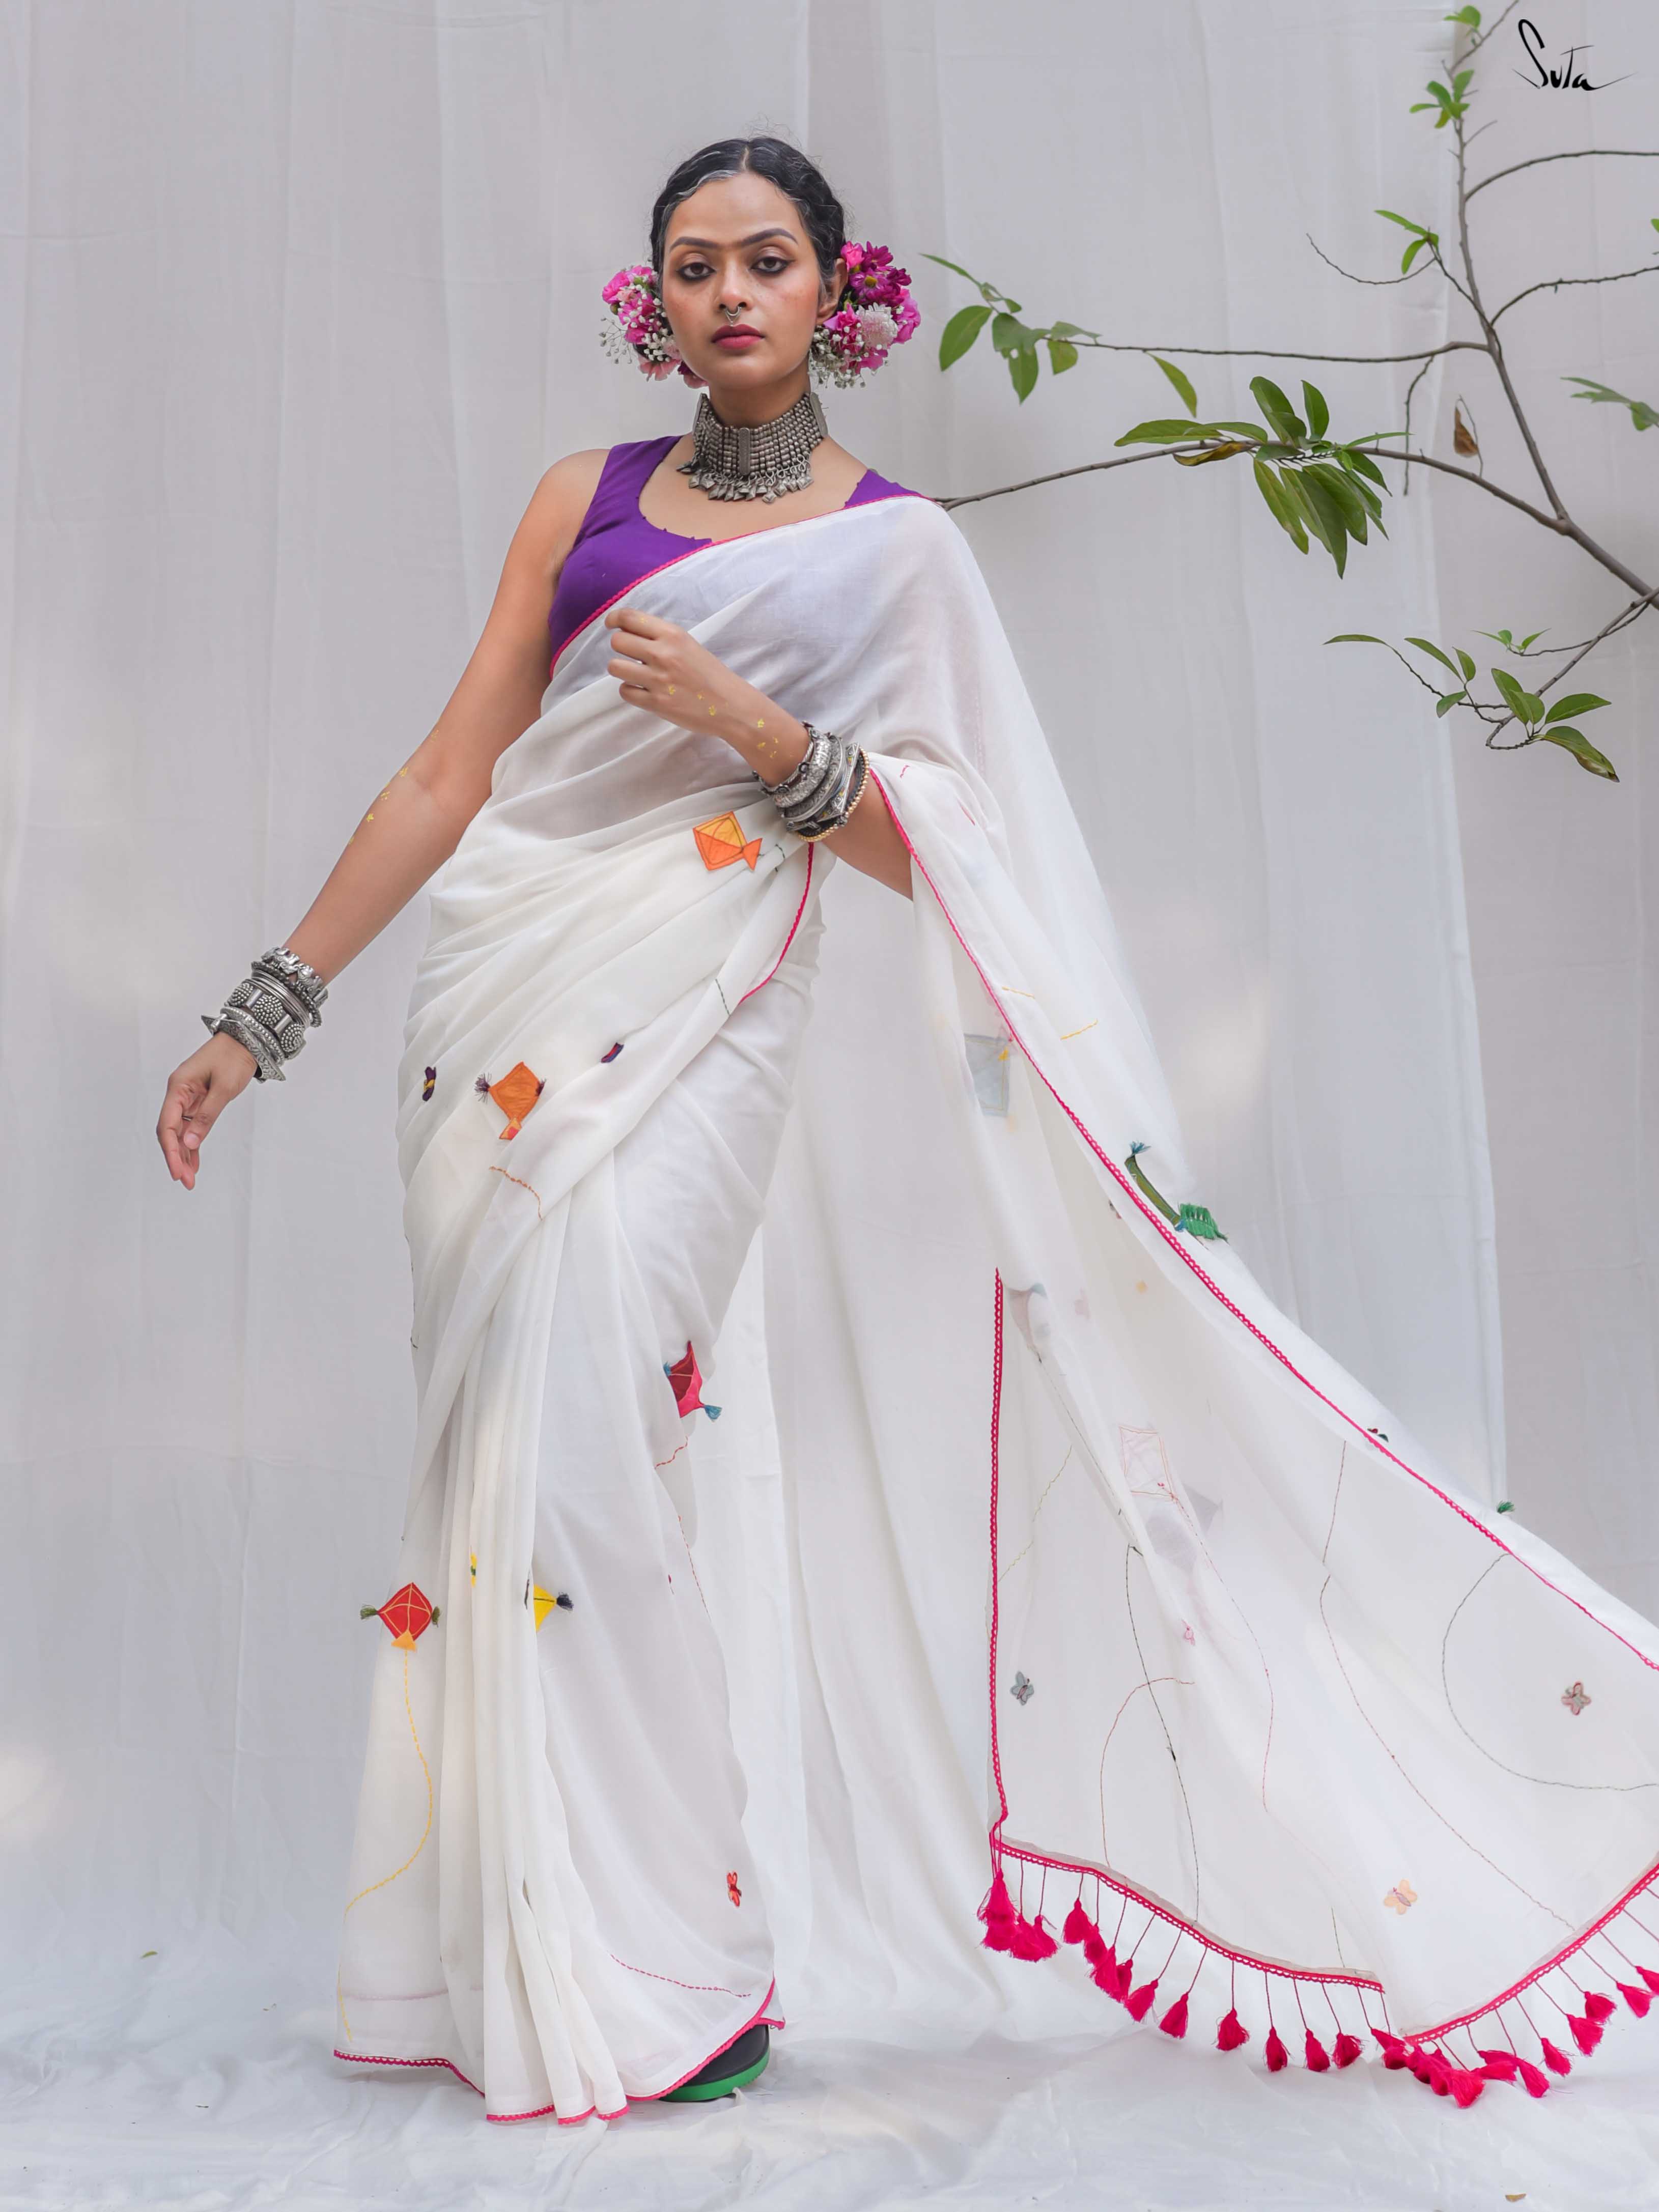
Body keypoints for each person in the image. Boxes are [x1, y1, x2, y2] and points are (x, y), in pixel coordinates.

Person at [156, 136, 1659, 2128]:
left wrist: (763, 733)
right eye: (694, 264)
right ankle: (516, 1959)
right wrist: (265, 1009)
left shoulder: (896, 550)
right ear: (654, 298)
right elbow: (450, 775)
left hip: (695, 1009)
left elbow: (956, 854)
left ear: (833, 289)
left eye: (765, 259)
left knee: (594, 1458)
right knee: (506, 1457)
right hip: (501, 1000)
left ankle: (670, 1964)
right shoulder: (576, 499)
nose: (728, 293)